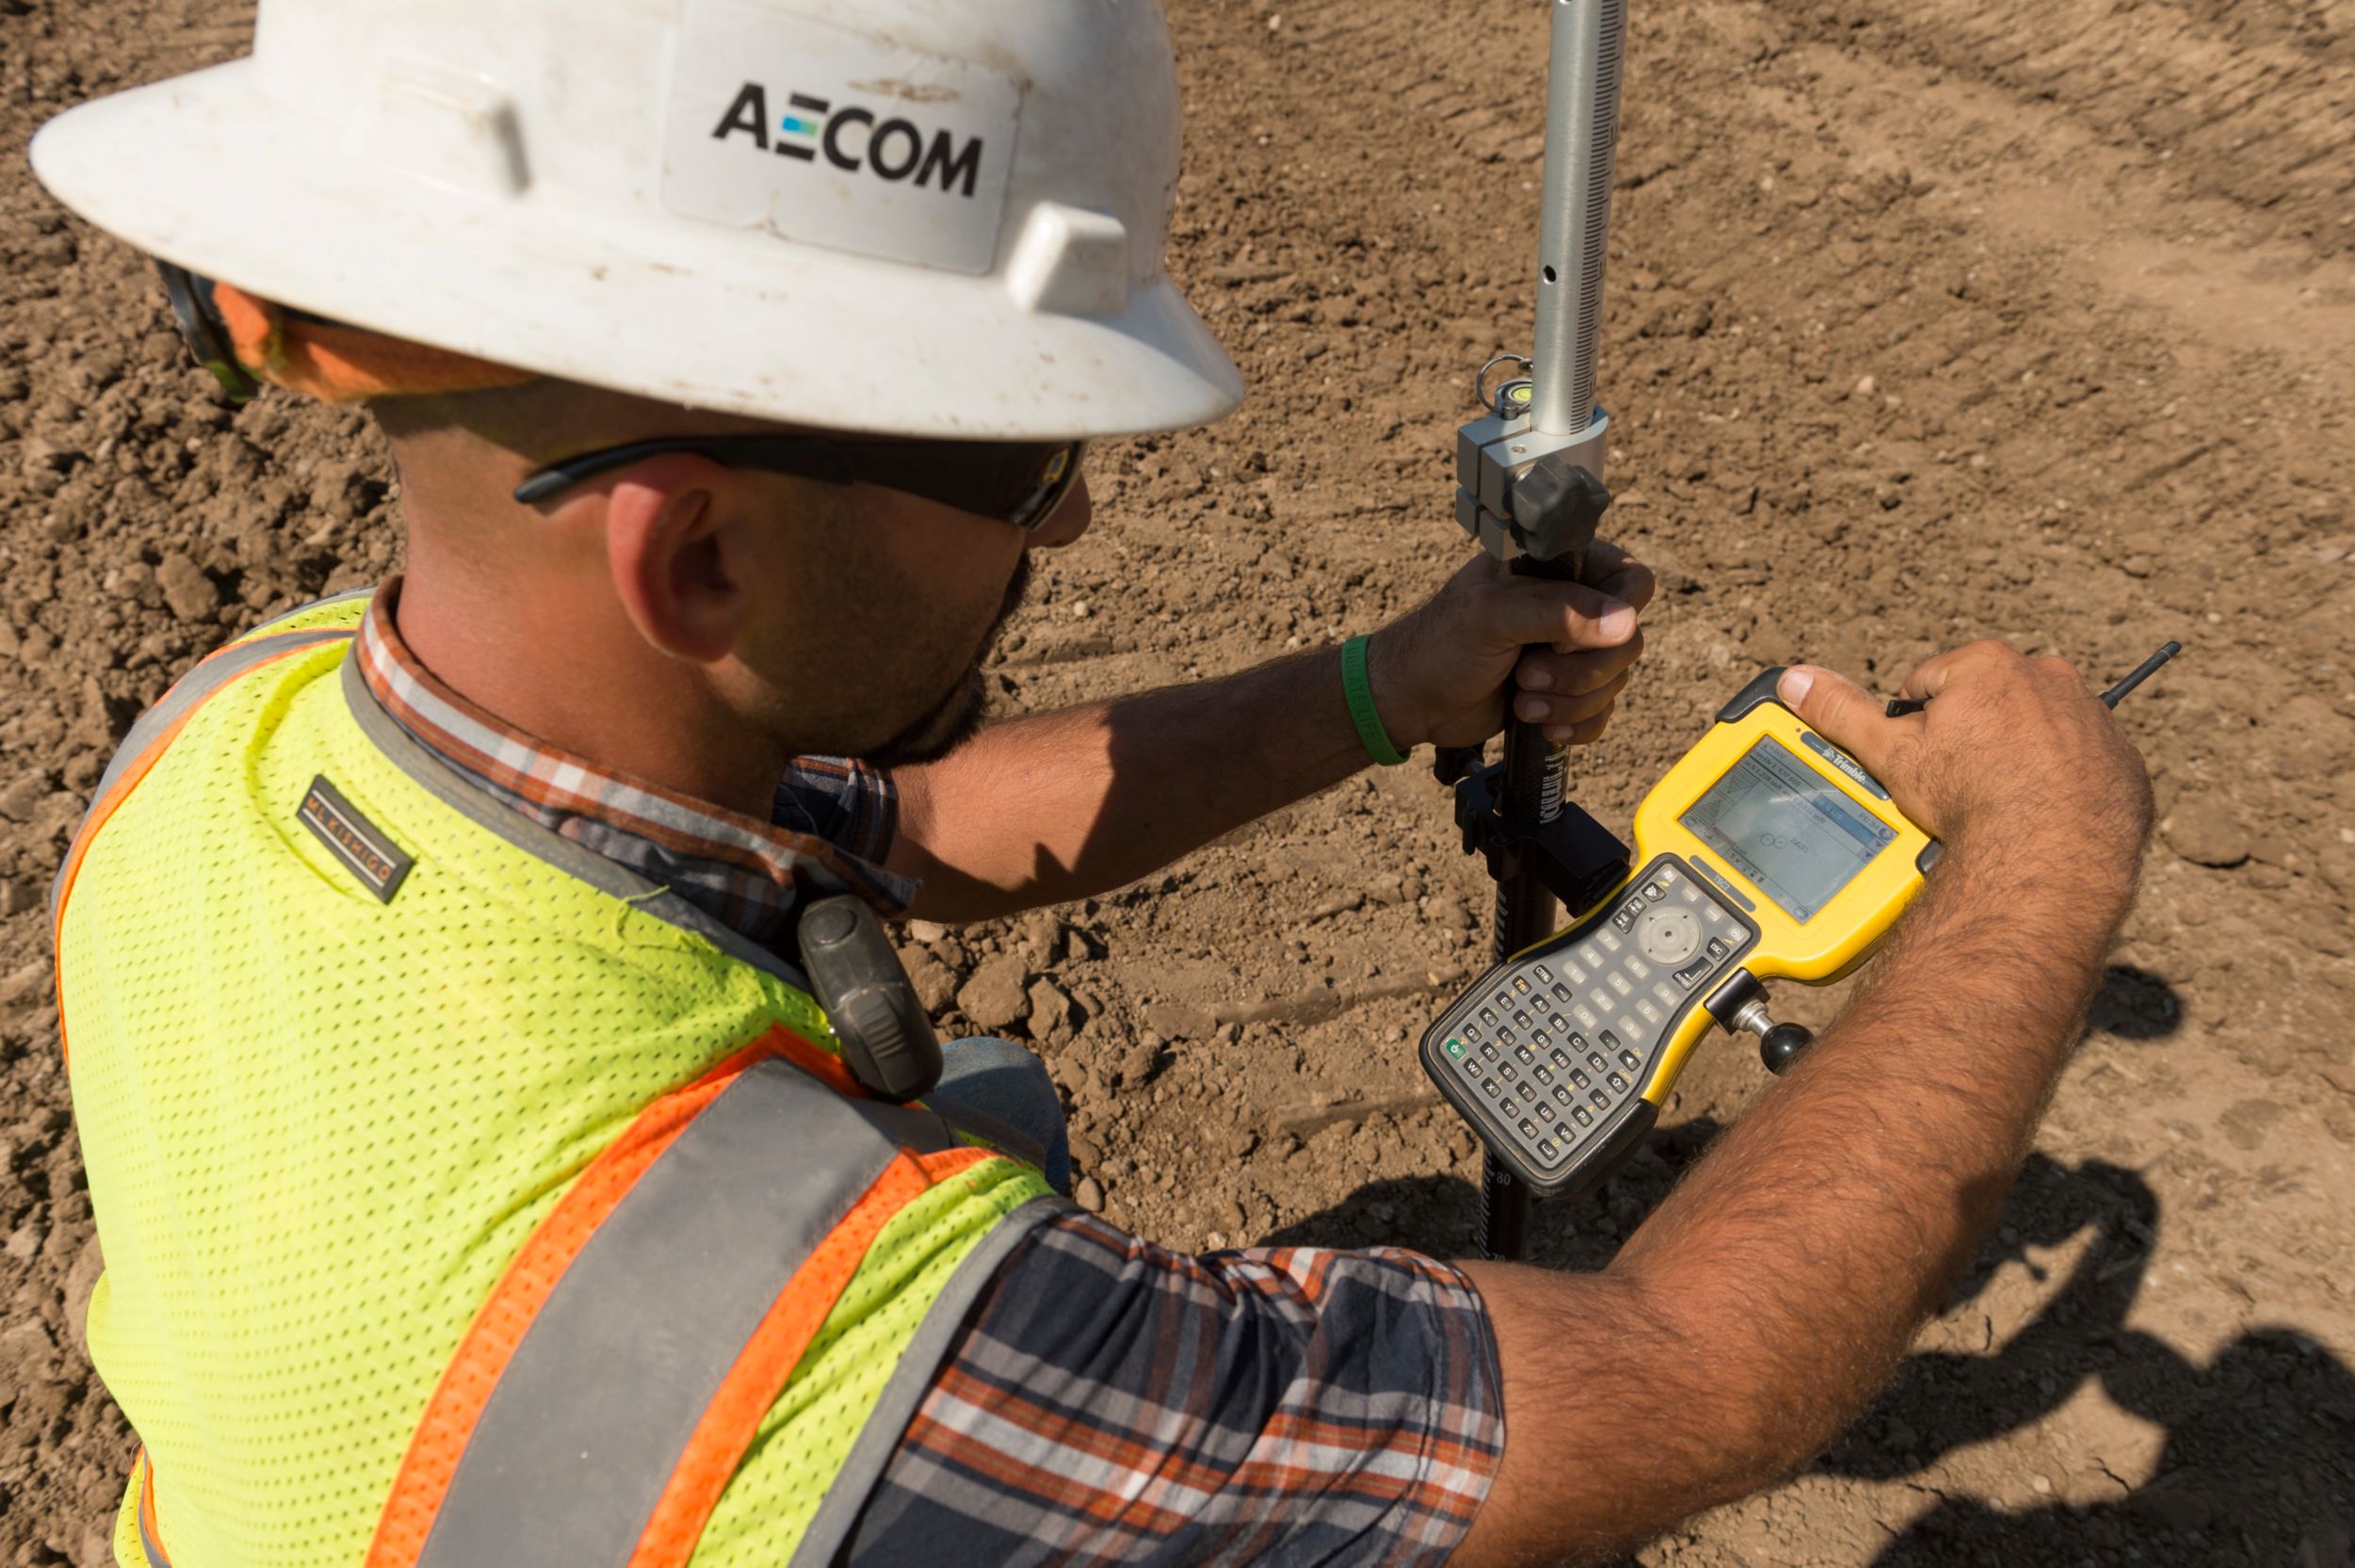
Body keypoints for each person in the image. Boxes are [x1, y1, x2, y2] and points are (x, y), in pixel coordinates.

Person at [29, 1, 2152, 1564]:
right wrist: (2038, 867)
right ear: (696, 556)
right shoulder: (775, 1332)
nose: (1064, 530)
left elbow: (926, 829)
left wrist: (1380, 685)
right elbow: (1672, 1379)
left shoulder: (251, 728)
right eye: (1022, 459)